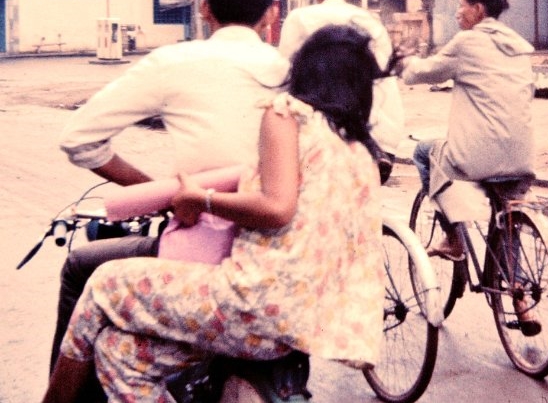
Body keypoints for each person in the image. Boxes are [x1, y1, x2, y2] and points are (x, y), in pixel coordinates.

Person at [43, 25, 385, 403]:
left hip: (252, 300)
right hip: (301, 322)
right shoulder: (357, 152)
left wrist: (200, 198)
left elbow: (277, 206)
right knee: (118, 350)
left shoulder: (287, 113)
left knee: (103, 282)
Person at [52, 0, 289, 384]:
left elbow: (78, 139)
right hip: (284, 267)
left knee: (79, 270)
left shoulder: (172, 63)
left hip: (202, 263)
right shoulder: (293, 72)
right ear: (273, 12)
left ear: (204, 6)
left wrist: (156, 190)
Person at [396, 0, 535, 250]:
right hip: (522, 157)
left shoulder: (467, 42)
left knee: (423, 152)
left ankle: (453, 236)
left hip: (477, 157)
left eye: (462, 5)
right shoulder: (519, 46)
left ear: (479, 10)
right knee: (508, 216)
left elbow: (422, 73)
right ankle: (516, 285)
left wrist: (405, 61)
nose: (458, 11)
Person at [278, 0, 404, 183]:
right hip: (375, 135)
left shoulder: (298, 19)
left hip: (310, 136)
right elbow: (383, 79)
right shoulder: (370, 22)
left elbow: (285, 78)